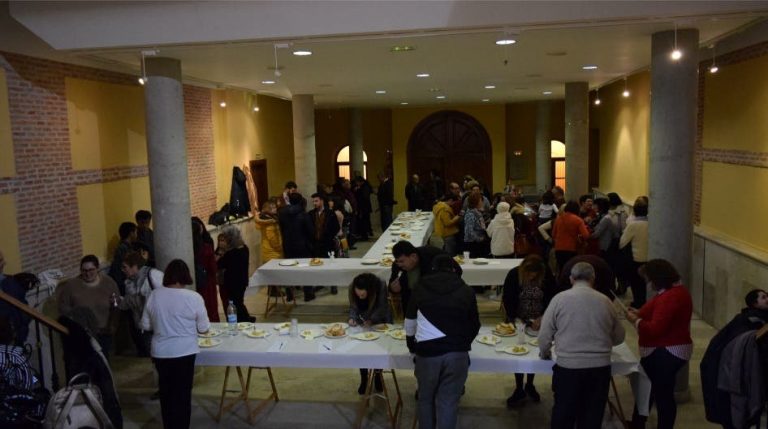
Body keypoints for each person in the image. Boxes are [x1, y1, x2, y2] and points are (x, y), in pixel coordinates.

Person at [538, 262, 625, 429]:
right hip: (599, 368)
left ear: (571, 279)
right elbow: (619, 337)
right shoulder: (605, 301)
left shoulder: (559, 299)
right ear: (593, 279)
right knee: (592, 415)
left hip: (568, 367)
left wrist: (545, 352)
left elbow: (544, 336)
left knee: (563, 414)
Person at [405, 254, 480, 429]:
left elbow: (409, 321)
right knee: (448, 402)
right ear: (454, 269)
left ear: (432, 269)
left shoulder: (419, 287)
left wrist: (412, 346)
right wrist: (462, 342)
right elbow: (475, 324)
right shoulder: (466, 290)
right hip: (456, 353)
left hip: (427, 353)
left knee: (425, 399)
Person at [141, 259, 210, 429]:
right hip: (185, 351)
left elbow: (145, 325)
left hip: (161, 352)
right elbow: (204, 328)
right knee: (182, 394)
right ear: (186, 276)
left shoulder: (154, 295)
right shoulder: (194, 297)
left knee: (166, 394)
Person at [625, 260, 693, 429]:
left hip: (668, 350)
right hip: (663, 348)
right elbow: (654, 312)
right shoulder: (670, 292)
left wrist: (637, 320)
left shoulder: (671, 297)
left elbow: (655, 328)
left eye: (649, 279)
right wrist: (639, 313)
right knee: (646, 387)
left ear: (658, 278)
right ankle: (637, 423)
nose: (648, 284)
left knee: (662, 393)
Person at [701, 289, 768, 428]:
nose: (767, 299)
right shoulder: (748, 321)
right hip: (729, 374)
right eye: (763, 297)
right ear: (754, 304)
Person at [502, 254, 556, 407]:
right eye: (530, 274)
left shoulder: (546, 276)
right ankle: (519, 387)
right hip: (518, 319)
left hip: (540, 320)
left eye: (535, 275)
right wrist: (523, 321)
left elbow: (553, 299)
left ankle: (530, 384)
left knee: (534, 351)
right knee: (518, 351)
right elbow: (508, 299)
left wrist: (543, 317)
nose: (532, 277)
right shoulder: (513, 275)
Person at [57, 255, 120, 356]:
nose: (88, 274)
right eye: (84, 270)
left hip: (103, 332)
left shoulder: (109, 283)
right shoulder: (71, 286)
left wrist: (112, 326)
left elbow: (116, 306)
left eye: (91, 270)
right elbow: (64, 308)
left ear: (97, 269)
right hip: (82, 335)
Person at [347, 273, 391, 394]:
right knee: (362, 349)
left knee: (378, 348)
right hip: (363, 319)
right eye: (358, 294)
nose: (360, 297)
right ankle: (364, 378)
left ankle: (378, 376)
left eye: (363, 294)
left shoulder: (380, 285)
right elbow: (353, 306)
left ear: (370, 290)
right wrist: (352, 318)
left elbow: (382, 307)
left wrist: (372, 320)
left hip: (379, 319)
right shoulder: (352, 287)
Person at [119, 251, 164, 357]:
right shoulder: (129, 282)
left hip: (156, 325)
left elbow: (165, 296)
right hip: (140, 326)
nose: (123, 270)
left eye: (125, 267)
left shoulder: (154, 276)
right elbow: (127, 303)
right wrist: (118, 301)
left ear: (134, 266)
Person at [389, 242, 456, 313]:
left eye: (401, 261)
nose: (399, 265)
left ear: (413, 256)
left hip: (437, 302)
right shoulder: (397, 265)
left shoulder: (434, 255)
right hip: (411, 304)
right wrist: (393, 289)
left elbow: (457, 271)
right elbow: (391, 285)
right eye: (397, 261)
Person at [255, 198, 293, 302]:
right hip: (273, 251)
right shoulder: (270, 223)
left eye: (275, 207)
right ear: (267, 210)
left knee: (272, 273)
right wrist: (281, 247)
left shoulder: (267, 220)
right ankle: (274, 291)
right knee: (274, 273)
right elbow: (273, 239)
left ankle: (273, 290)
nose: (275, 209)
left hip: (267, 250)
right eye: (272, 208)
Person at [216, 225, 254, 322]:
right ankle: (247, 319)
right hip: (242, 281)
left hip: (233, 283)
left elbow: (219, 264)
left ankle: (243, 321)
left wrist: (221, 252)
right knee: (239, 303)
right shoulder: (244, 248)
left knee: (235, 304)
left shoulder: (231, 253)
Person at [309, 193, 341, 295]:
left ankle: (333, 285)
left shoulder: (330, 213)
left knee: (331, 264)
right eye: (313, 201)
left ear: (322, 201)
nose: (314, 203)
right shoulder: (311, 214)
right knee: (318, 264)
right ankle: (320, 283)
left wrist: (328, 235)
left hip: (328, 242)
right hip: (316, 244)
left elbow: (336, 227)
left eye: (316, 201)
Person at [620, 199, 649, 308]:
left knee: (636, 283)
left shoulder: (633, 225)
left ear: (635, 211)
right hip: (649, 258)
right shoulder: (652, 223)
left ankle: (638, 303)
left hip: (636, 259)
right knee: (646, 284)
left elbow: (622, 242)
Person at [192, 217, 220, 321]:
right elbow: (213, 268)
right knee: (210, 307)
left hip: (193, 282)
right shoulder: (206, 248)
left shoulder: (186, 248)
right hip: (207, 282)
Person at [551, 201, 590, 275]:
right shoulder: (578, 220)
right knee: (571, 270)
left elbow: (553, 234)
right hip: (571, 248)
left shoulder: (558, 219)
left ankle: (562, 285)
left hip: (558, 249)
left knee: (562, 269)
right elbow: (586, 235)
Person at [0, 250, 30, 345]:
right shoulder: (10, 284)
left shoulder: (11, 283)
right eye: (0, 260)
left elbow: (24, 310)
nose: (4, 263)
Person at [108, 222, 137, 294]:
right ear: (131, 233)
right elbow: (121, 269)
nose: (137, 235)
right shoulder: (122, 249)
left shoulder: (128, 247)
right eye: (136, 232)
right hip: (122, 284)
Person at [463, 192, 489, 258]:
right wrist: (479, 239)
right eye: (480, 201)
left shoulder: (477, 212)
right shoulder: (470, 214)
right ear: (475, 202)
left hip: (478, 242)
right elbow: (469, 231)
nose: (482, 202)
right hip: (473, 243)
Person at [353, 176, 373, 241]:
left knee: (363, 222)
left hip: (363, 208)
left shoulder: (364, 187)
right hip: (366, 207)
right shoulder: (365, 186)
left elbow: (363, 197)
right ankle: (365, 235)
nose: (356, 184)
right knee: (365, 222)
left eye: (357, 182)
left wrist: (358, 190)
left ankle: (364, 236)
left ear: (360, 181)